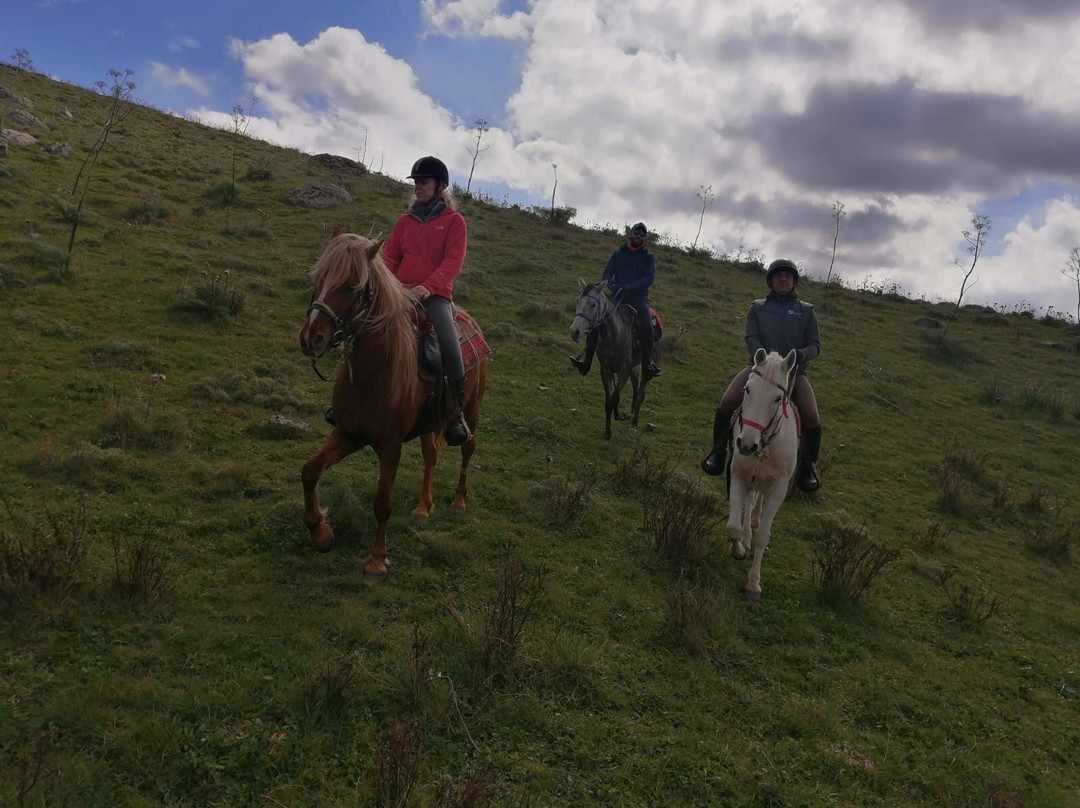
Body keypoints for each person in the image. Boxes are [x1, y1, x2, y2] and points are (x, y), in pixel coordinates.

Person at [326, 155, 472, 446]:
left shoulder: (454, 222)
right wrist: (387, 286)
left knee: (451, 349)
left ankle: (455, 414)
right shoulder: (406, 221)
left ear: (439, 185)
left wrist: (427, 288)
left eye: (424, 182)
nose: (418, 186)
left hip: (435, 298)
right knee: (360, 331)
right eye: (416, 182)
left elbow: (453, 262)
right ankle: (346, 402)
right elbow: (390, 257)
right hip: (399, 295)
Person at [700, 258, 823, 492]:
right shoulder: (757, 308)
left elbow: (815, 344)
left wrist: (800, 355)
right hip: (759, 369)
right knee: (727, 402)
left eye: (788, 275)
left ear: (794, 281)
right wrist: (764, 359)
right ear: (771, 280)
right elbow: (751, 337)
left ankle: (808, 468)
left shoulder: (806, 311)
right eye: (779, 275)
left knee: (812, 416)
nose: (783, 278)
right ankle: (717, 454)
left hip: (793, 373)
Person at [569, 221, 661, 380]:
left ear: (645, 238)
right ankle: (586, 361)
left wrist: (631, 287)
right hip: (617, 294)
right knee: (596, 323)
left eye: (642, 234)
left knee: (647, 325)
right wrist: (611, 284)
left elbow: (648, 279)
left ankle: (647, 364)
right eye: (636, 233)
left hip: (638, 298)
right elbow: (607, 272)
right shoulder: (618, 254)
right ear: (631, 234)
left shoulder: (648, 258)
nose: (638, 236)